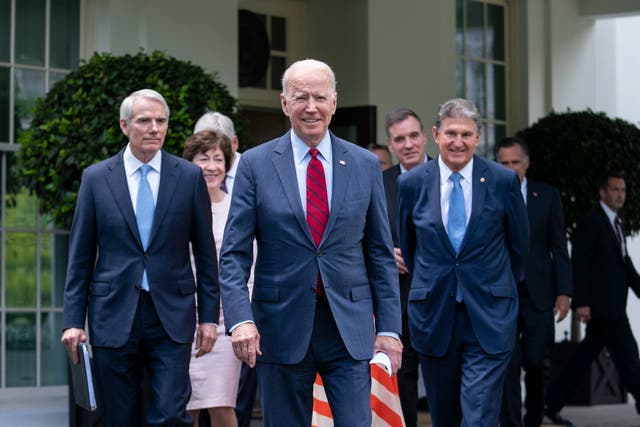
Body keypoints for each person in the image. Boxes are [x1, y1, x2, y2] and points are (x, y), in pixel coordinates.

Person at [218, 59, 403, 427]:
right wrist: (240, 320)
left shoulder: (365, 164)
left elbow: (379, 254)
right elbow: (233, 256)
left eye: (320, 97)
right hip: (279, 326)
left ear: (334, 102)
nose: (311, 107)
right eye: (301, 97)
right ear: (285, 104)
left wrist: (389, 329)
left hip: (347, 327)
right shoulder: (255, 164)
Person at [61, 89, 219, 426]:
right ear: (124, 125)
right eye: (144, 121)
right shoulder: (96, 178)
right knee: (119, 416)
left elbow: (206, 256)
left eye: (161, 121)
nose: (154, 128)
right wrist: (73, 321)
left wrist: (208, 317)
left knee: (170, 414)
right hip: (113, 314)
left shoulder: (189, 177)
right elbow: (80, 257)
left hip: (171, 315)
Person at [397, 98, 529, 427]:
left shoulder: (502, 181)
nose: (459, 142)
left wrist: (492, 285)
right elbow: (410, 247)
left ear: (478, 139)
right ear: (436, 134)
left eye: (467, 134)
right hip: (435, 314)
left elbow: (518, 247)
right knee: (445, 415)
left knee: (479, 413)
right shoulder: (412, 183)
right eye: (451, 133)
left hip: (488, 315)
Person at [544, 172, 640, 426]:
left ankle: (551, 403)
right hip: (603, 308)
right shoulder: (592, 221)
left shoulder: (616, 223)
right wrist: (581, 302)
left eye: (623, 190)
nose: (620, 194)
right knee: (630, 356)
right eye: (615, 189)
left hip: (611, 307)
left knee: (582, 359)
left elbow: (625, 266)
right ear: (602, 193)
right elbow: (580, 264)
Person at [495, 136, 572, 427]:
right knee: (508, 364)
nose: (512, 168)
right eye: (505, 163)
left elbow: (559, 246)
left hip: (539, 292)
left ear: (526, 163)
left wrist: (564, 291)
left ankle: (534, 417)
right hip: (502, 293)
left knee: (537, 362)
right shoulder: (490, 193)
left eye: (516, 162)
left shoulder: (548, 195)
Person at [183, 130, 253, 427]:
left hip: (227, 323)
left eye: (218, 159)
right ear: (190, 163)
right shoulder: (179, 206)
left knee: (222, 404)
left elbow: (250, 265)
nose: (211, 166)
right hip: (184, 318)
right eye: (203, 159)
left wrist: (245, 315)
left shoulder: (238, 206)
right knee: (186, 408)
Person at [382, 107, 429, 427]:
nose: (408, 144)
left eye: (413, 136)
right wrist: (387, 255)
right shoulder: (378, 181)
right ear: (390, 146)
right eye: (400, 139)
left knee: (449, 378)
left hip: (443, 294)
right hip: (398, 298)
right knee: (404, 378)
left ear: (426, 137)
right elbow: (361, 234)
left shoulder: (448, 175)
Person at [194, 111, 242, 194]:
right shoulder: (187, 171)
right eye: (205, 149)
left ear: (234, 142)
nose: (212, 167)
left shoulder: (252, 172)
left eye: (222, 146)